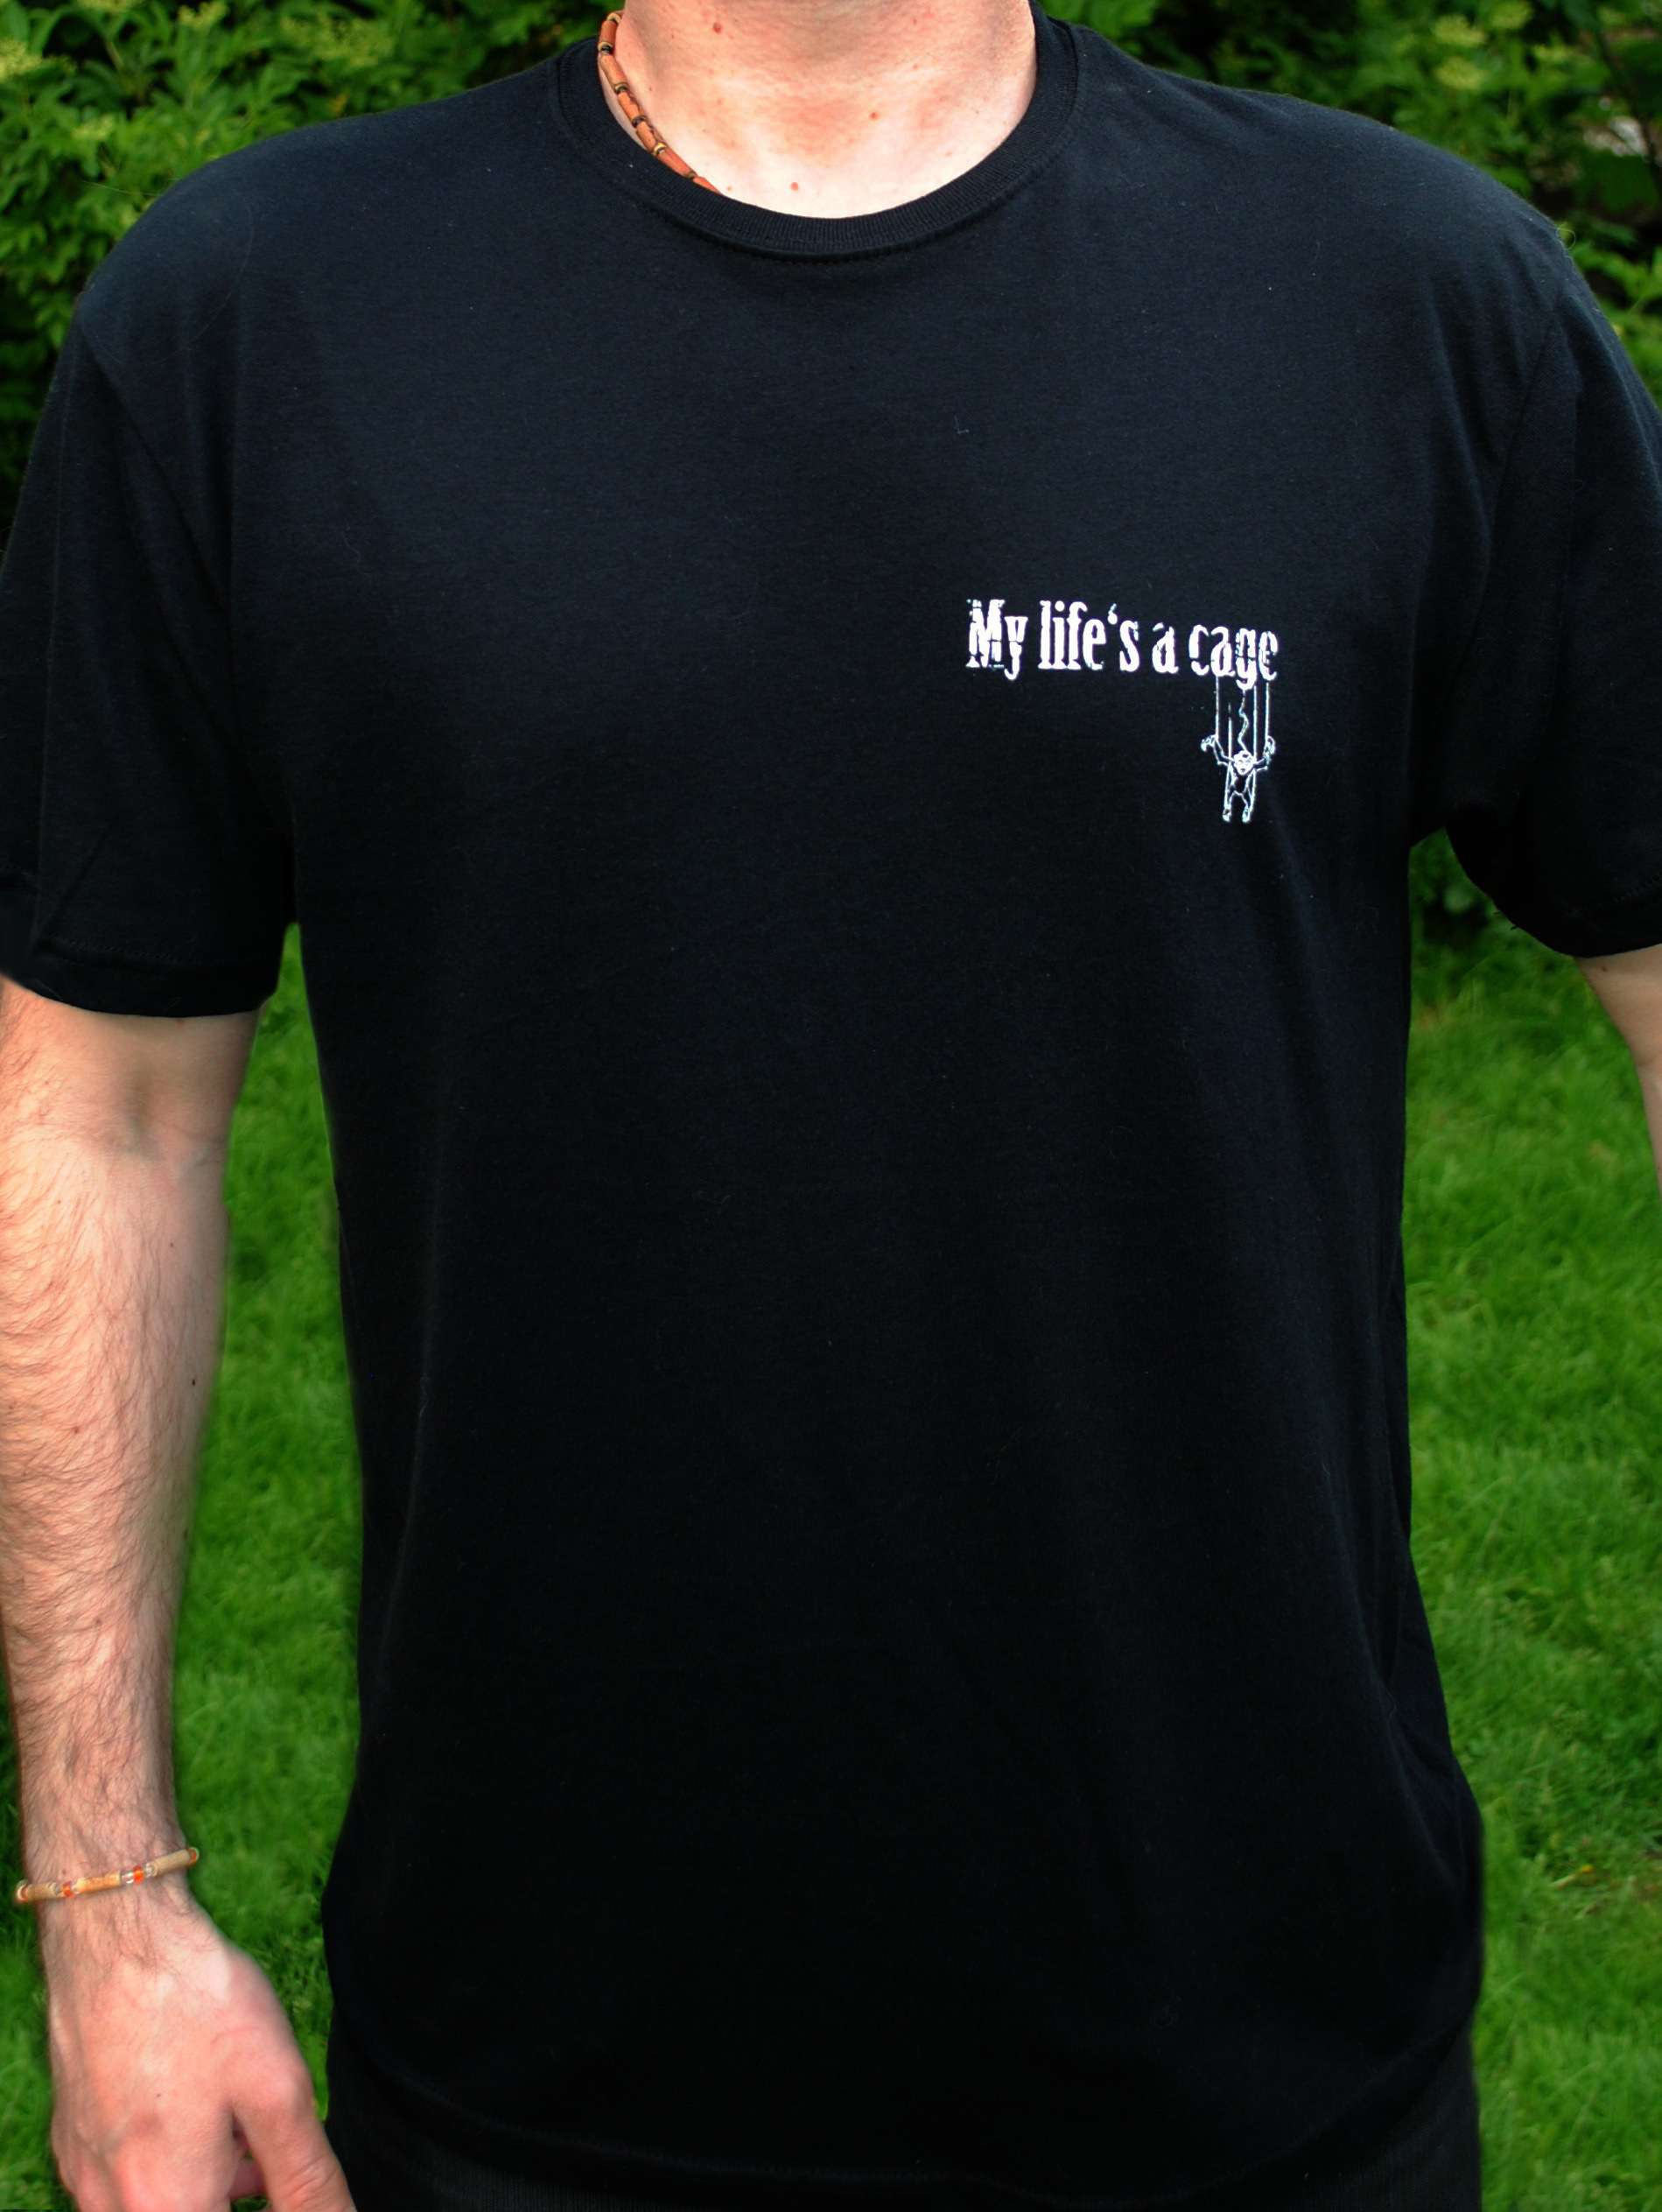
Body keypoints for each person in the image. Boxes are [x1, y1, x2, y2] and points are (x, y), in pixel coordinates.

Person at [3, 0, 1661, 2202]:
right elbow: (95, 1111)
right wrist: (105, 1897)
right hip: (536, 2076)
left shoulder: (1401, 295)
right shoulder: (259, 317)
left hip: (1257, 2070)